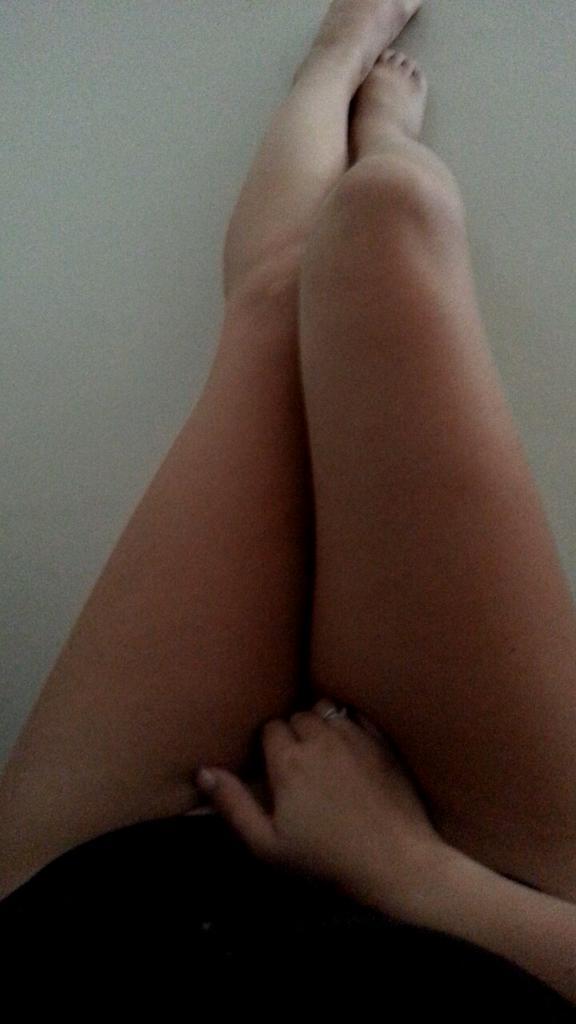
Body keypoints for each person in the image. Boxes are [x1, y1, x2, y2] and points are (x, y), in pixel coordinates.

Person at [1, 0, 576, 1013]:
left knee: (281, 296)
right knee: (387, 213)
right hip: (501, 915)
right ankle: (373, 125)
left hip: (103, 915)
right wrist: (417, 874)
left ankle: (332, 66)